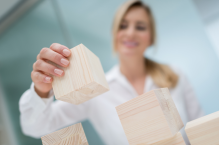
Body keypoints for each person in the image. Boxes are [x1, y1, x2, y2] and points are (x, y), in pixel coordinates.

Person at [19, 0, 203, 144]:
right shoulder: (95, 91)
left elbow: (201, 126)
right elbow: (35, 128)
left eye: (140, 27)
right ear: (115, 35)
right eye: (123, 26)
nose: (130, 33)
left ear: (151, 38)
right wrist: (41, 91)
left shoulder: (175, 75)